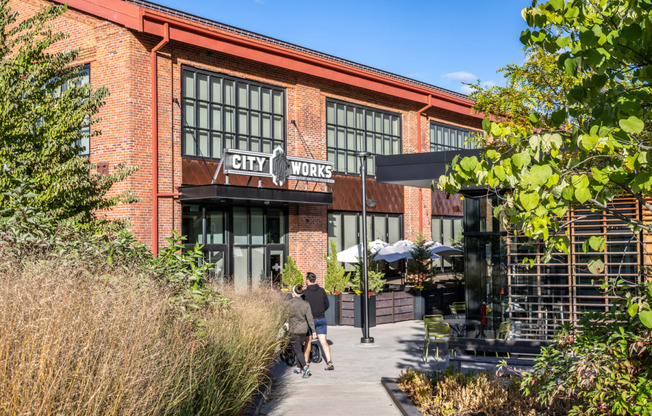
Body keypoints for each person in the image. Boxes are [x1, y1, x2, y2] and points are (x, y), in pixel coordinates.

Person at [302, 272, 334, 370]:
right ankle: (329, 362)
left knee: (308, 341)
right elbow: (327, 304)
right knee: (323, 341)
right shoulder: (321, 291)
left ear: (308, 280)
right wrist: (320, 311)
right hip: (321, 318)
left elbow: (303, 307)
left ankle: (306, 363)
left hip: (310, 320)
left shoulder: (305, 293)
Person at [288, 284, 316, 378]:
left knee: (297, 350)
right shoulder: (306, 304)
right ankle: (299, 367)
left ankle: (305, 367)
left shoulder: (289, 303)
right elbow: (310, 319)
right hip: (303, 329)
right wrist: (313, 331)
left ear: (293, 293)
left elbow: (284, 316)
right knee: (299, 347)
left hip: (294, 328)